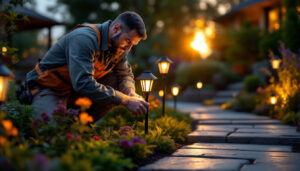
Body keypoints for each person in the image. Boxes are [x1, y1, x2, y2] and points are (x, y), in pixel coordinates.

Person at [18, 11, 149, 121]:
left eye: (132, 44)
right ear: (116, 29)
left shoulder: (119, 47)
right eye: (128, 41)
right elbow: (83, 83)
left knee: (115, 80)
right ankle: (66, 131)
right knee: (50, 130)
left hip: (74, 92)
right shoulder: (84, 39)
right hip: (48, 88)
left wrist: (130, 92)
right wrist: (125, 100)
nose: (128, 47)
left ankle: (79, 128)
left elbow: (124, 74)